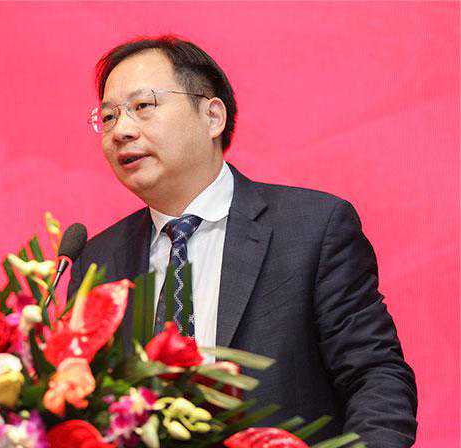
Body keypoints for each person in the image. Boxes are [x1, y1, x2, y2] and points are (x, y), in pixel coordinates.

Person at [67, 35, 417, 447]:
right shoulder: (97, 261)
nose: (121, 131)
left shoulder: (312, 229)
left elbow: (376, 376)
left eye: (143, 106)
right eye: (108, 117)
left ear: (212, 116)